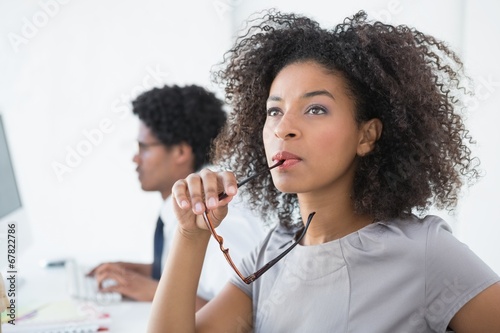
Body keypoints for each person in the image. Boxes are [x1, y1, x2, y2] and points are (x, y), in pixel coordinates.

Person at [147, 10, 500, 332]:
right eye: (274, 111)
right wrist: (191, 235)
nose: (284, 128)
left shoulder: (425, 252)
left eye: (315, 109)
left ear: (367, 135)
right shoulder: (271, 252)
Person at [89, 84, 266, 308]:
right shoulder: (182, 207)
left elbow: (243, 313)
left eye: (144, 147)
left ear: (181, 152)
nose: (136, 158)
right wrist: (143, 273)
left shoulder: (216, 215)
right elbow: (199, 279)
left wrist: (154, 290)